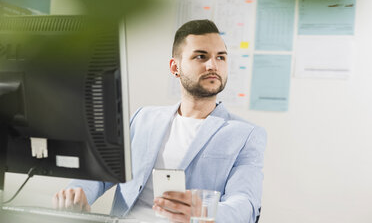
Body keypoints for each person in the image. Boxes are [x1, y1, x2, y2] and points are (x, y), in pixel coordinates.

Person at [53, 19, 267, 223]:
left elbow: (245, 204)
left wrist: (205, 211)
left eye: (221, 57)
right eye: (201, 56)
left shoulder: (246, 135)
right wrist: (78, 192)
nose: (213, 65)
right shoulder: (143, 118)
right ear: (175, 68)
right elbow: (102, 174)